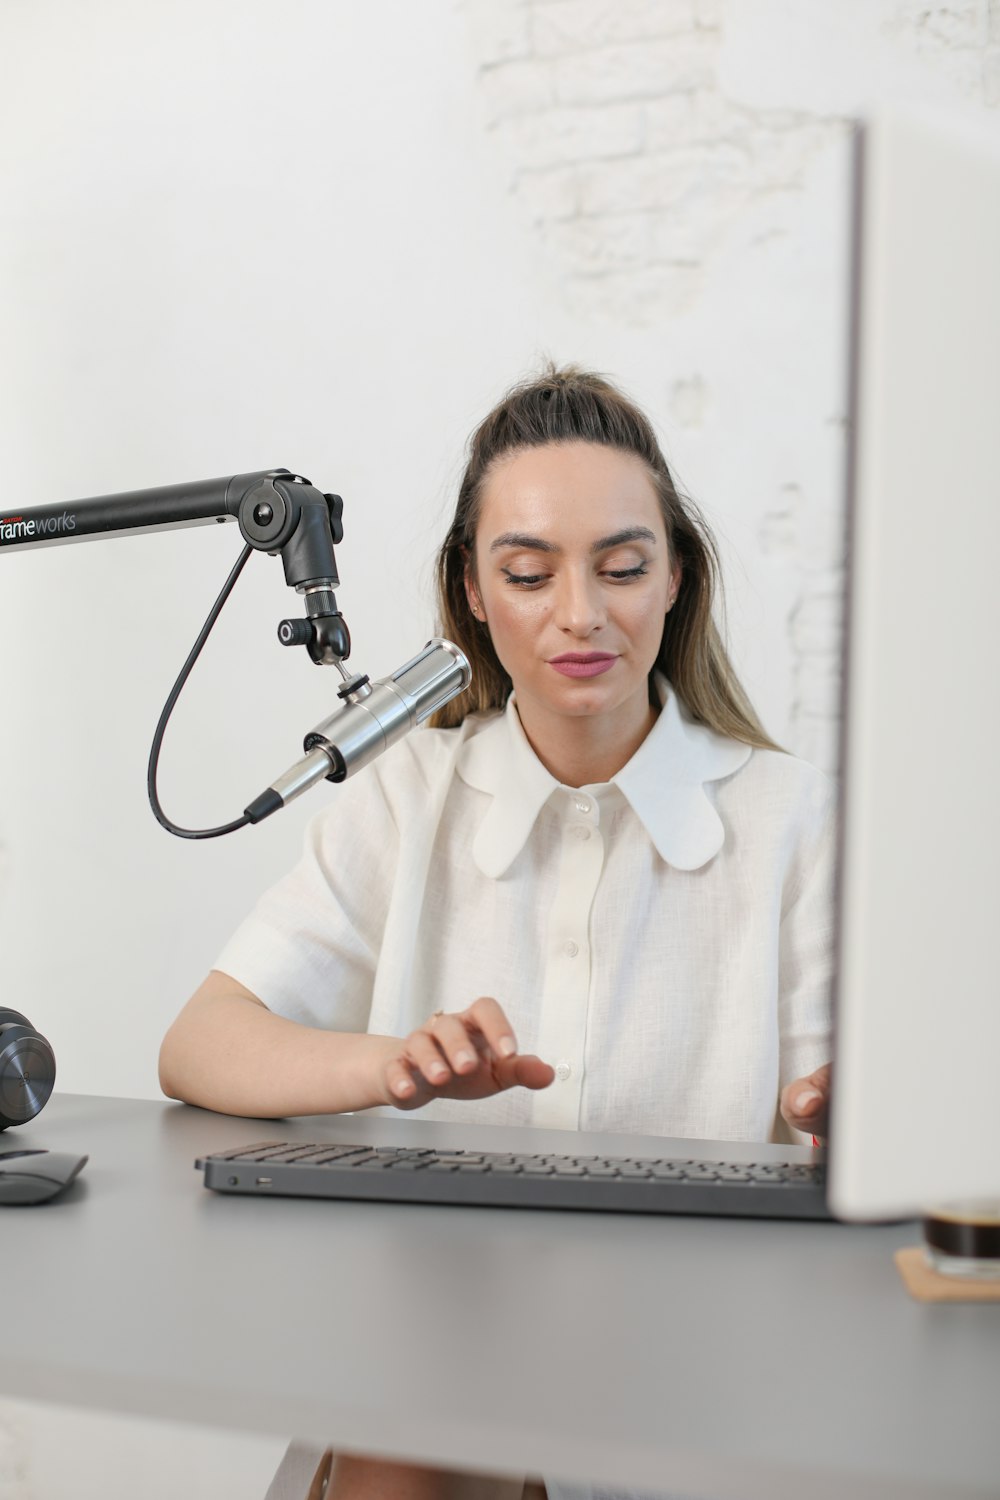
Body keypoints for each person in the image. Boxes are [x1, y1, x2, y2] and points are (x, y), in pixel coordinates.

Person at [160, 366, 834, 1499]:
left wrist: (846, 1117)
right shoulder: (404, 795)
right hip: (434, 1375)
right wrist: (394, 1064)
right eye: (528, 573)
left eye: (622, 568)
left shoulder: (791, 819)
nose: (581, 613)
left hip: (696, 1373)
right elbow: (199, 1045)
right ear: (473, 593)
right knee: (410, 1443)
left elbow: (852, 1121)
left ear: (675, 578)